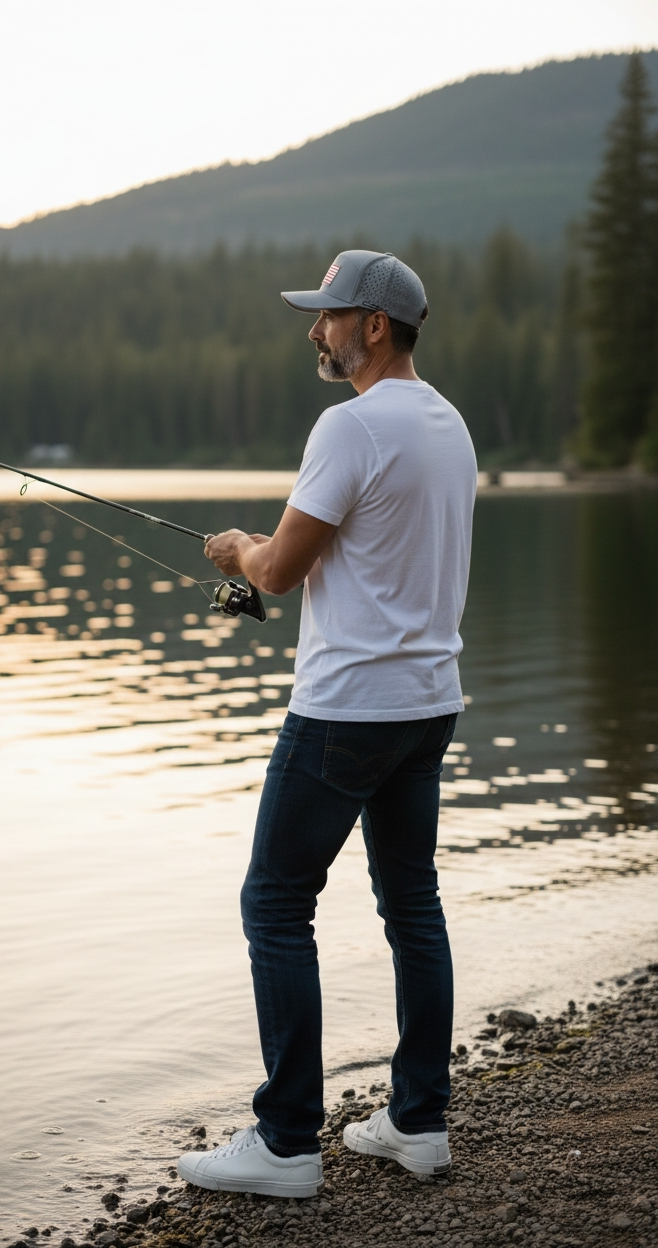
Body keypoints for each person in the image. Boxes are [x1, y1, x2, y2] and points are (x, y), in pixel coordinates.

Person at [177, 250, 477, 1198]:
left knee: (273, 905)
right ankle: (418, 1123)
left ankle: (286, 1143)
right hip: (428, 705)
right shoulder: (451, 426)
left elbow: (274, 571)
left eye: (330, 315)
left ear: (374, 326)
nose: (316, 330)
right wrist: (265, 555)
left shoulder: (347, 427)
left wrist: (236, 547)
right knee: (412, 907)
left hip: (346, 711)